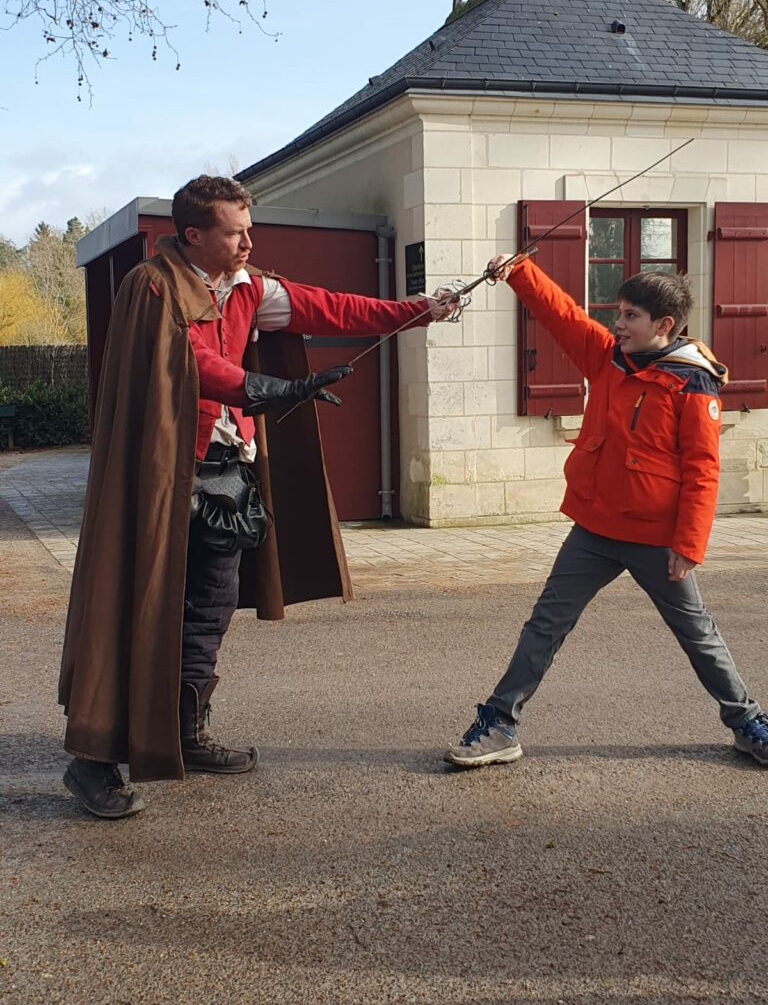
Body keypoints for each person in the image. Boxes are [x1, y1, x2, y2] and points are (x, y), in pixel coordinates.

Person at [60, 174, 451, 819]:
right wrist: (268, 389)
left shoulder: (247, 286)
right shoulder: (152, 285)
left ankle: (183, 732)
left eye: (249, 228)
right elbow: (189, 362)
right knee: (137, 601)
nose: (248, 242)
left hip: (224, 473)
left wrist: (419, 309)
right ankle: (91, 760)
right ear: (193, 235)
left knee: (210, 606)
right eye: (235, 231)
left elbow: (333, 309)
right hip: (159, 475)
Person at [445, 252, 768, 769]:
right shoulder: (606, 357)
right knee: (545, 624)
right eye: (618, 313)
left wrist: (688, 545)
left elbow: (703, 470)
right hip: (594, 530)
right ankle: (500, 723)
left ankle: (748, 723)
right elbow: (563, 316)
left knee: (698, 635)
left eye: (630, 316)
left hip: (656, 538)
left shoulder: (693, 384)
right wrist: (519, 271)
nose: (617, 324)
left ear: (663, 325)